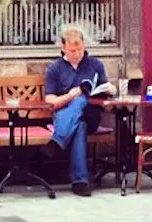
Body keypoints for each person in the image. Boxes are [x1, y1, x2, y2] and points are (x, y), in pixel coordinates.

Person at [42, 25, 116, 197]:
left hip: (91, 114)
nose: (76, 54)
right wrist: (69, 95)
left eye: (79, 49)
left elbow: (105, 87)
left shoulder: (95, 64)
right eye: (72, 50)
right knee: (79, 125)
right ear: (63, 48)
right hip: (64, 115)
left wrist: (110, 89)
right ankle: (80, 182)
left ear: (84, 46)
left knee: (83, 99)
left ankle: (57, 142)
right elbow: (50, 101)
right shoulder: (55, 68)